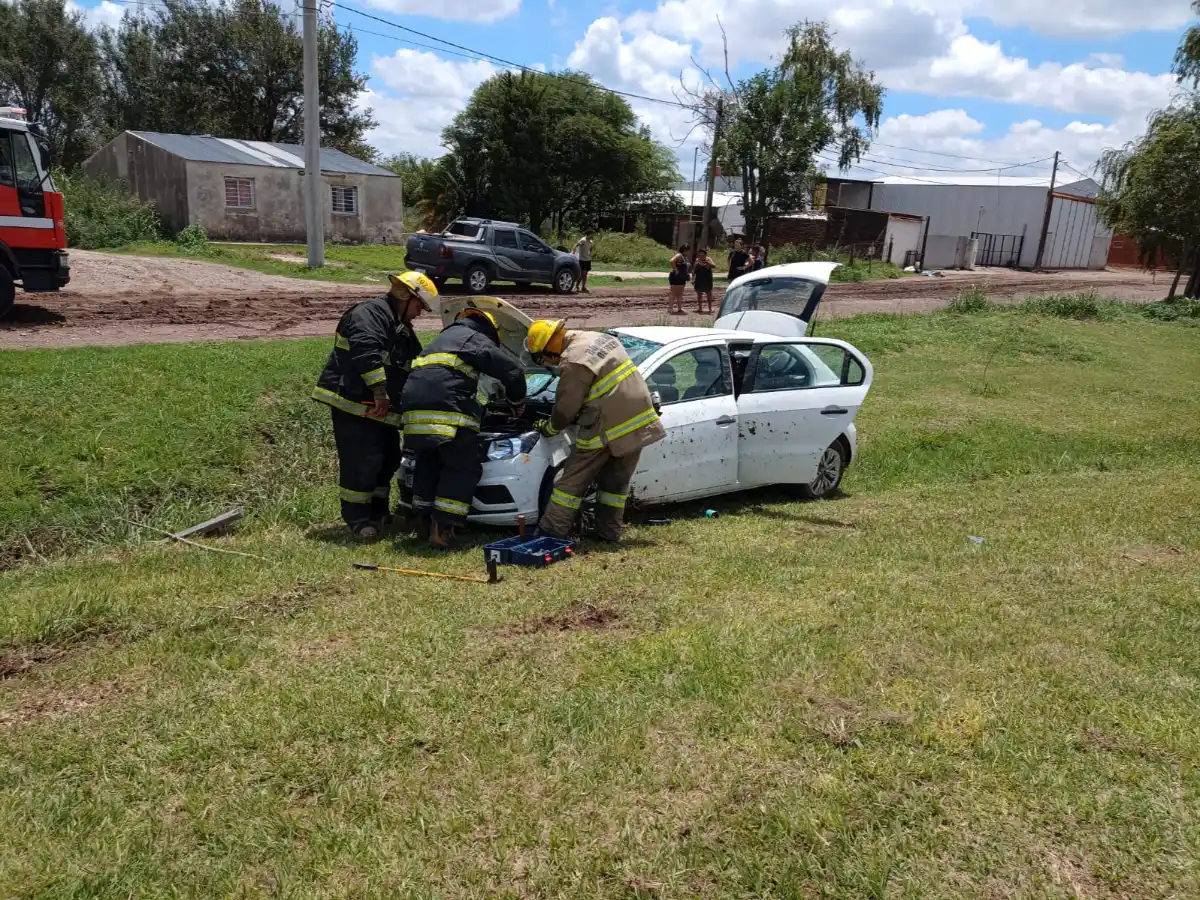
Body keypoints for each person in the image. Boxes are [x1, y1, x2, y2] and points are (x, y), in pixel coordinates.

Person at [313, 271, 434, 539]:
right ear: (404, 296)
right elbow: (366, 353)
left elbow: (414, 363)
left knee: (388, 459)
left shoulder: (399, 326)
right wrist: (380, 392)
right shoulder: (368, 315)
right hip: (354, 404)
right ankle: (358, 520)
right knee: (361, 462)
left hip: (380, 412)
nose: (419, 313)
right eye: (418, 306)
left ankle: (379, 514)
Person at [525, 319, 666, 543]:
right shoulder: (598, 338)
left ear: (549, 346)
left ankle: (551, 533)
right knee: (615, 482)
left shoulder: (574, 360)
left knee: (571, 482)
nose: (548, 362)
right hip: (637, 419)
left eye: (543, 357)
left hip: (607, 423)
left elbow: (566, 406)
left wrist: (550, 427)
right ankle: (607, 532)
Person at [400, 307, 526, 549]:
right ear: (488, 329)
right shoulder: (474, 338)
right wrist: (516, 402)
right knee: (461, 467)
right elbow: (512, 371)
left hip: (414, 410)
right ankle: (444, 530)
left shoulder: (441, 341)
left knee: (429, 463)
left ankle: (423, 525)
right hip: (446, 409)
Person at [667, 243, 690, 315]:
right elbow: (671, 261)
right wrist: (676, 270)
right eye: (685, 249)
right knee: (673, 293)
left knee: (680, 294)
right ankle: (670, 308)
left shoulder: (685, 257)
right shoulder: (679, 255)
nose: (686, 251)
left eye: (687, 250)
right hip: (676, 277)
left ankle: (679, 308)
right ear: (682, 249)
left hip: (682, 277)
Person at [693, 247, 715, 314]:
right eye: (699, 255)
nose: (701, 256)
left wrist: (707, 262)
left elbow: (714, 266)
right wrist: (692, 279)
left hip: (707, 280)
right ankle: (700, 308)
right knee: (699, 294)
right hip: (699, 279)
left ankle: (710, 309)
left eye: (702, 255)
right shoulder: (697, 260)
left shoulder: (708, 259)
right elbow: (693, 271)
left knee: (709, 294)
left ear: (705, 255)